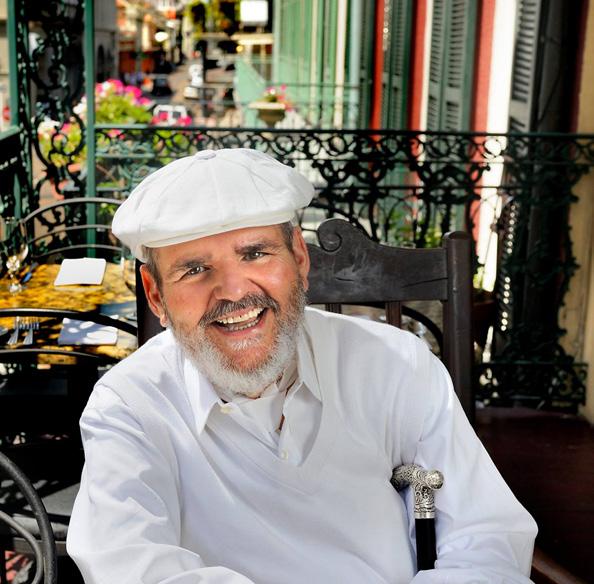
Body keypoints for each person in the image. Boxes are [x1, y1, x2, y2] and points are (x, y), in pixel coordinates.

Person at [67, 149, 537, 583]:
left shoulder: (394, 365)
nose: (234, 291)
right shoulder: (130, 405)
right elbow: (130, 565)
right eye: (194, 269)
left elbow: (486, 535)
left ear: (299, 258)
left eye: (255, 254)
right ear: (156, 296)